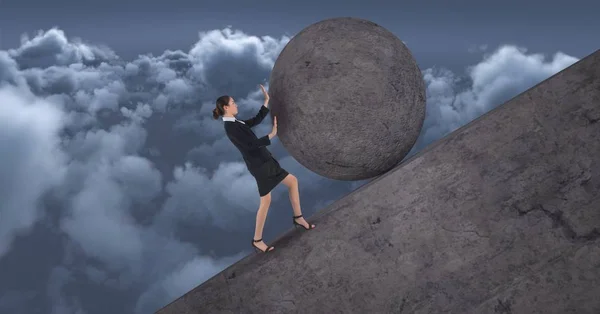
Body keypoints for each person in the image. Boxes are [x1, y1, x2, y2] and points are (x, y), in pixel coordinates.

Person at [212, 84, 316, 253]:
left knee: (290, 183)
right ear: (226, 107)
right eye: (233, 102)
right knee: (266, 201)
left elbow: (254, 121)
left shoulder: (235, 122)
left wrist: (266, 102)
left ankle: (298, 218)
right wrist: (271, 135)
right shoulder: (230, 127)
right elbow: (250, 146)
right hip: (260, 166)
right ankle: (257, 240)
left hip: (264, 161)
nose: (236, 104)